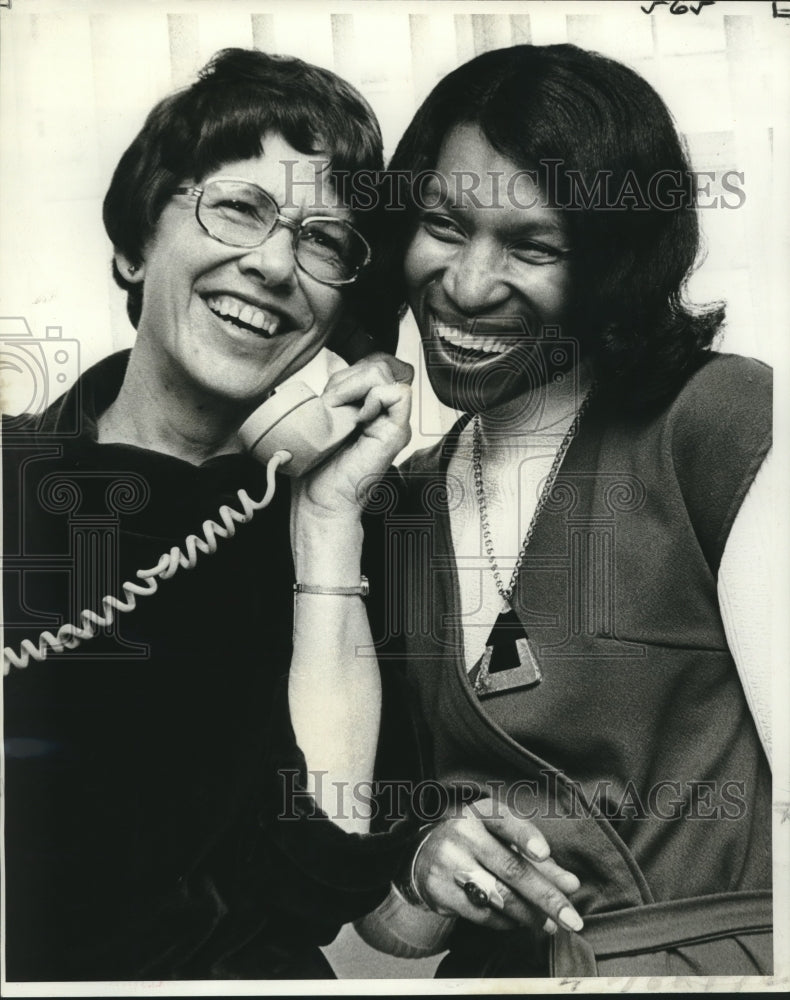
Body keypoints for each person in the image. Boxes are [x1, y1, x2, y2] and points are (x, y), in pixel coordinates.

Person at [352, 43, 773, 977]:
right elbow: (387, 928)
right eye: (443, 224)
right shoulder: (395, 505)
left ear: (610, 266)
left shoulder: (717, 422)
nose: (465, 285)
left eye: (533, 246)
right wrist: (426, 866)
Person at [2, 47, 415, 981]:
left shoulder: (347, 541)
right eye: (239, 208)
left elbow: (322, 877)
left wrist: (327, 521)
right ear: (136, 239)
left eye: (324, 243)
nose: (274, 265)